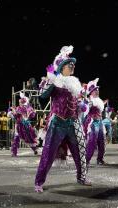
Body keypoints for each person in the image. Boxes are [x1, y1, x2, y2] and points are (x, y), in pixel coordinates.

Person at [35, 45, 90, 193]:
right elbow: (43, 96)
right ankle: (39, 182)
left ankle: (82, 177)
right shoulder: (55, 81)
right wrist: (49, 79)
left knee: (81, 151)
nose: (72, 66)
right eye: (69, 64)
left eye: (73, 64)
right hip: (57, 122)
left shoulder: (75, 83)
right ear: (61, 67)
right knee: (48, 153)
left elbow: (77, 102)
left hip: (74, 122)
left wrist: (82, 105)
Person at [83, 78, 107, 165]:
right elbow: (85, 109)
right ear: (91, 92)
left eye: (97, 89)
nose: (97, 91)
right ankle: (87, 160)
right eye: (94, 90)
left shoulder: (99, 100)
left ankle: (100, 159)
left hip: (100, 122)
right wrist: (86, 104)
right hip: (93, 122)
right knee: (92, 142)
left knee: (102, 141)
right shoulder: (90, 100)